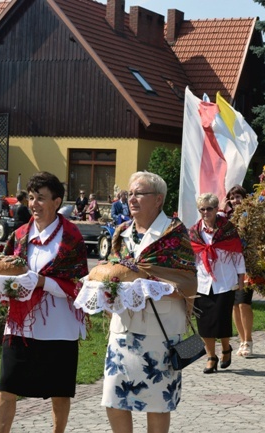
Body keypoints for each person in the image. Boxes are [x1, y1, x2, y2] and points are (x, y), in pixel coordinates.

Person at [102, 171, 197, 433]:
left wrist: (154, 288)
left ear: (158, 199)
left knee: (157, 403)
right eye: (129, 193)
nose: (132, 199)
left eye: (139, 194)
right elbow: (113, 270)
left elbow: (189, 280)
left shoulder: (174, 233)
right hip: (122, 330)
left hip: (161, 332)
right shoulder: (121, 232)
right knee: (113, 398)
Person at [0, 172, 88, 433]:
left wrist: (42, 283)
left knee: (59, 391)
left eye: (41, 198)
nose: (34, 204)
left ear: (57, 201)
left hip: (60, 327)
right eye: (32, 198)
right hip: (20, 324)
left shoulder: (71, 237)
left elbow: (79, 284)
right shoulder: (20, 234)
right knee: (7, 385)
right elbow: (7, 269)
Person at [190, 193, 245, 373]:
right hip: (202, 283)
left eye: (209, 208)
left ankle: (226, 348)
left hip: (225, 281)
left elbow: (237, 253)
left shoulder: (228, 230)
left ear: (216, 209)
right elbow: (190, 258)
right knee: (204, 322)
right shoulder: (194, 232)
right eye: (202, 209)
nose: (206, 212)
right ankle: (211, 357)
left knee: (222, 320)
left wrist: (240, 279)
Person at [223, 185, 255, 358]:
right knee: (234, 305)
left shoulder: (251, 216)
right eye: (233, 197)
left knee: (244, 303)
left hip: (247, 265)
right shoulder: (225, 218)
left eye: (239, 197)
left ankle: (249, 340)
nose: (236, 201)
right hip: (230, 267)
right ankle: (242, 341)